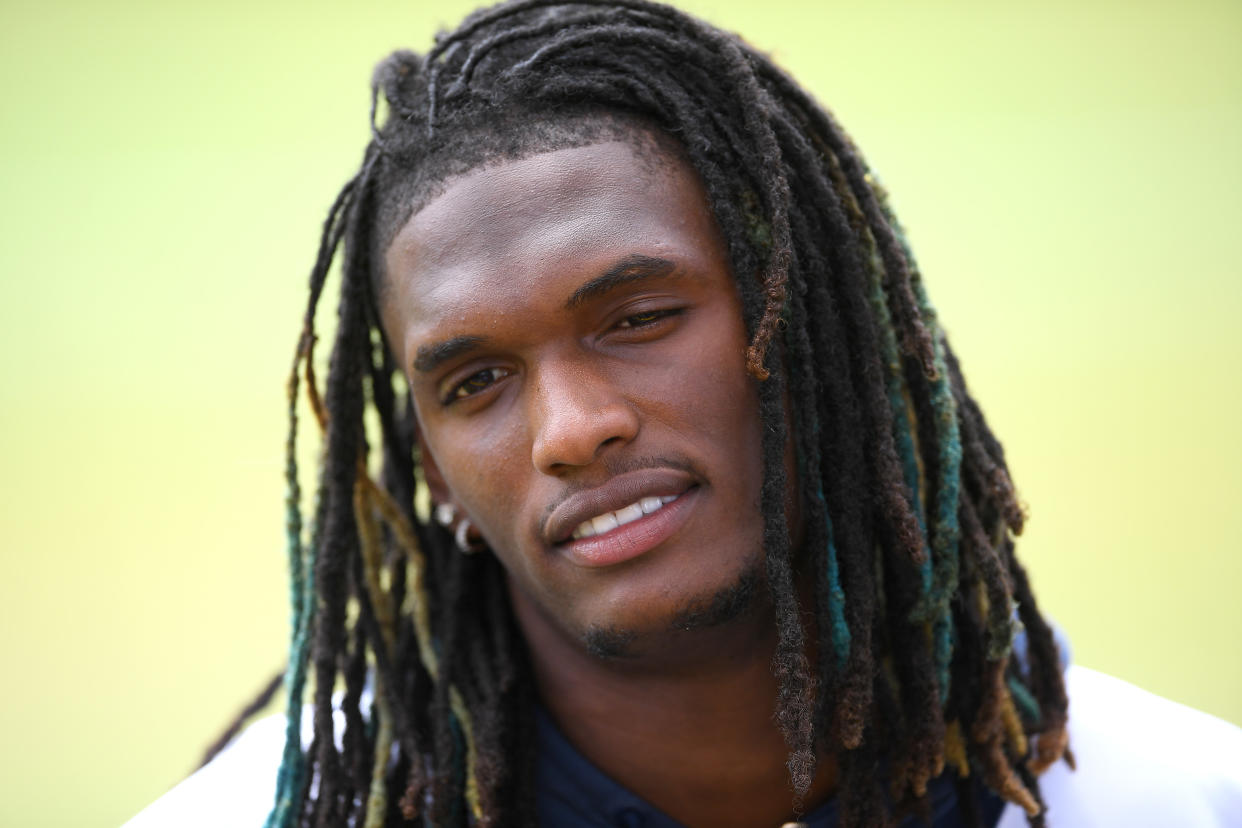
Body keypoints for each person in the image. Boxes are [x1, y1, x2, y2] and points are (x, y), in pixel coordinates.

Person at [125, 1, 1242, 827]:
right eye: (476, 383)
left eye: (639, 317)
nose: (570, 430)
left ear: (812, 328)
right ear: (432, 471)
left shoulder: (1181, 798)